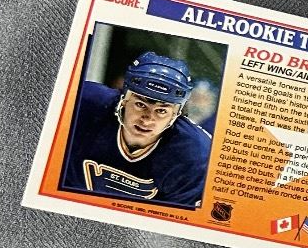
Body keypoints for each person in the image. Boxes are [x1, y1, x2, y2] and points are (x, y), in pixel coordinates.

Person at [62, 50, 214, 208]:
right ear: (124, 99)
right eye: (141, 105)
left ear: (175, 114)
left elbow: (174, 218)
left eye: (161, 111)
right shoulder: (82, 104)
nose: (147, 119)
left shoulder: (195, 154)